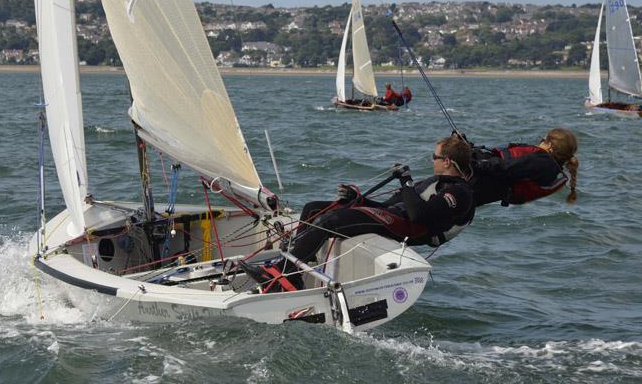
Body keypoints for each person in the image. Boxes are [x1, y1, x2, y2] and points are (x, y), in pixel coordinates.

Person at [240, 136, 475, 292]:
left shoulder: (459, 193)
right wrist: (358, 200)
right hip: (396, 217)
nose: (430, 161)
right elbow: (386, 205)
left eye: (434, 157)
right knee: (314, 208)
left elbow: (418, 216)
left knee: (331, 221)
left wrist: (407, 181)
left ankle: (286, 273)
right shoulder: (435, 181)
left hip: (411, 228)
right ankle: (300, 262)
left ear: (446, 161)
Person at [470, 128, 579, 207]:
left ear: (550, 145)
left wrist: (474, 162)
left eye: (542, 140)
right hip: (486, 188)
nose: (539, 142)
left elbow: (507, 167)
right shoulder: (551, 168)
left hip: (480, 180)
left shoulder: (544, 162)